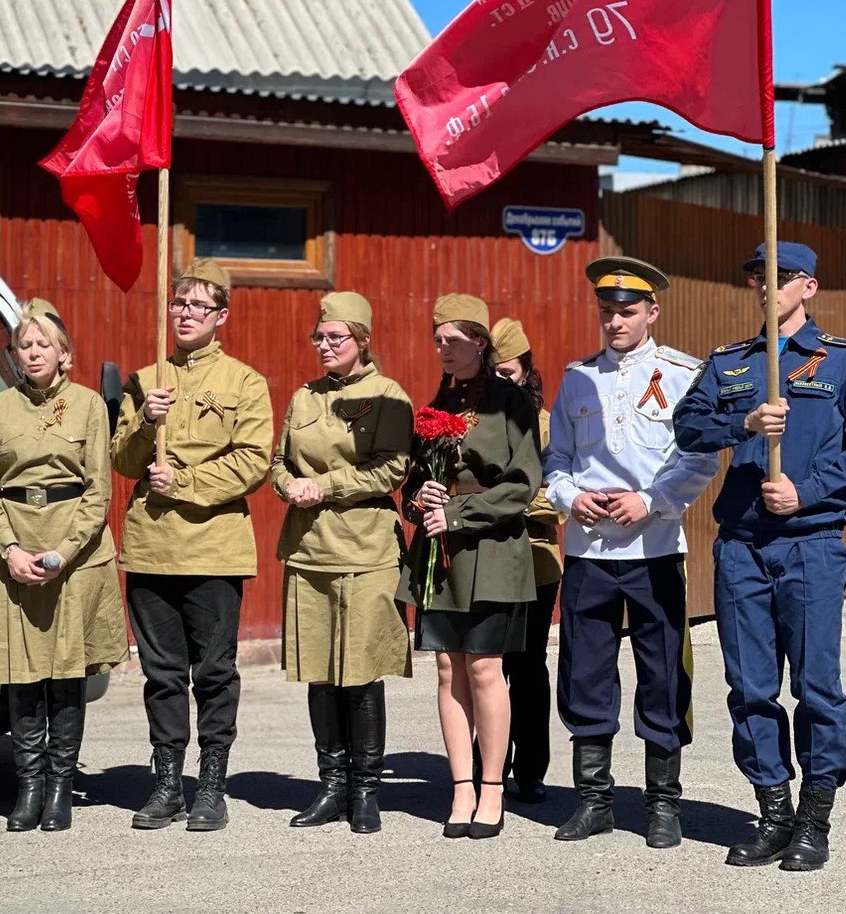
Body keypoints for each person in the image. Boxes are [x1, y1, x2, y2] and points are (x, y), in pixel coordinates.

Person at [673, 242, 846, 871]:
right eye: (756, 279)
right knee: (750, 688)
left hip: (811, 545)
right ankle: (773, 811)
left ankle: (814, 820)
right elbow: (687, 427)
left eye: (779, 278)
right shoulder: (732, 364)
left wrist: (808, 491)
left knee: (817, 686)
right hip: (742, 548)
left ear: (810, 287)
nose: (765, 288)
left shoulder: (845, 362)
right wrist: (743, 425)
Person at [544, 257, 717, 849]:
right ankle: (594, 801)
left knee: (663, 673)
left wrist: (652, 500)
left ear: (652, 312)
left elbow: (699, 458)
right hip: (590, 551)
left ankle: (663, 804)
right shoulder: (576, 379)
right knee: (585, 673)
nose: (614, 321)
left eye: (626, 311)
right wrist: (571, 497)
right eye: (606, 311)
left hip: (655, 546)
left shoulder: (683, 375)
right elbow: (557, 462)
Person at [111, 258, 274, 833]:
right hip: (153, 545)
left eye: (197, 306)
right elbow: (122, 461)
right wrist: (141, 421)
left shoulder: (244, 382)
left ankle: (211, 786)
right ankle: (165, 784)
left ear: (221, 316)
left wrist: (186, 484)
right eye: (178, 304)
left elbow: (253, 461)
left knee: (213, 672)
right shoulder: (146, 378)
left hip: (213, 546)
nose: (183, 315)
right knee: (161, 673)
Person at [0, 298, 129, 833]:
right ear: (13, 356)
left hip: (75, 557)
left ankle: (60, 787)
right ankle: (29, 785)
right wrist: (11, 550)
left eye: (44, 345)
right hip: (15, 553)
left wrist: (63, 551)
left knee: (66, 675)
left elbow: (98, 491)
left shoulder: (87, 405)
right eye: (24, 346)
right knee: (21, 674)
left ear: (66, 355)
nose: (33, 353)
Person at [395, 294, 540, 841]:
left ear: (480, 343)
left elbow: (523, 484)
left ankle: (493, 788)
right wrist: (419, 499)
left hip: (492, 549)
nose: (443, 348)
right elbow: (411, 483)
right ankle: (460, 786)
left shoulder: (512, 403)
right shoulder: (435, 403)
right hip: (439, 553)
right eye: (437, 340)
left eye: (453, 340)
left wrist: (457, 511)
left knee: (484, 667)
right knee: (446, 668)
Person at [271, 291, 413, 835]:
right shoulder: (304, 397)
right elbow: (279, 462)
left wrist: (324, 485)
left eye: (336, 338)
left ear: (362, 340)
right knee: (320, 675)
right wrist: (289, 486)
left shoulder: (386, 395)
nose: (325, 346)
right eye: (320, 337)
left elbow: (392, 468)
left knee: (359, 674)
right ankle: (330, 785)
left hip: (365, 549)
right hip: (309, 550)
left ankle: (366, 790)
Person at [484, 317, 565, 804]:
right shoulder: (469, 420)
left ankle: (531, 768)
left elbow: (555, 500)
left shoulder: (548, 425)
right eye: (493, 374)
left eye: (509, 374)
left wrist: (496, 501)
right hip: (480, 559)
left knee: (529, 666)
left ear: (528, 373)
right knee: (483, 664)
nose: (501, 383)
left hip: (534, 560)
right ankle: (482, 763)